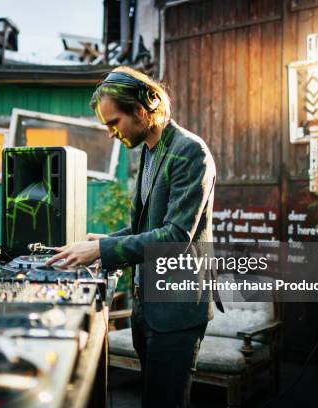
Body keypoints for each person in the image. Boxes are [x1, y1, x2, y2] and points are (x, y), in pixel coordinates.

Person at [47, 66, 219, 407]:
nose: (111, 133)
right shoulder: (151, 151)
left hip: (176, 310)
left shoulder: (189, 151)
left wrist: (102, 249)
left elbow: (174, 236)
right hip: (146, 305)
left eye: (114, 123)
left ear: (143, 108)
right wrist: (97, 244)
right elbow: (147, 227)